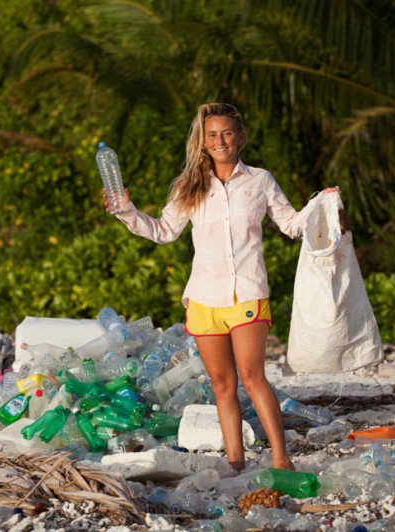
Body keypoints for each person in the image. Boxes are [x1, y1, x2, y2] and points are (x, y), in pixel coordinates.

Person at [104, 103, 337, 471]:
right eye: (212, 135)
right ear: (204, 141)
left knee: (253, 377)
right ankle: (235, 465)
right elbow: (164, 232)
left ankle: (281, 458)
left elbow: (291, 224)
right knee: (222, 385)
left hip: (248, 293)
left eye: (227, 133)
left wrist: (320, 204)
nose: (220, 141)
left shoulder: (260, 181)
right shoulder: (190, 186)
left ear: (240, 137)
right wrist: (127, 211)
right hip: (204, 298)